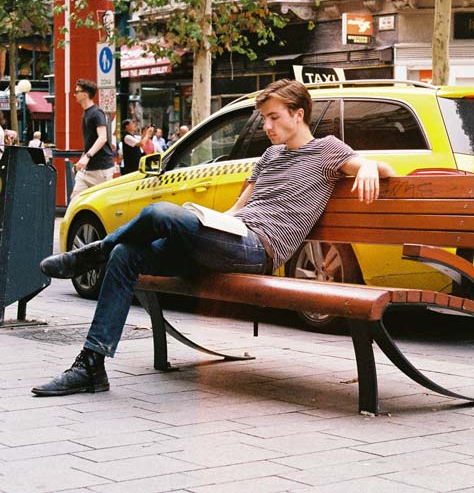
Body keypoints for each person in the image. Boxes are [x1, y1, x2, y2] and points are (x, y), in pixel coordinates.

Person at [32, 79, 395, 397]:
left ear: (298, 114)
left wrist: (364, 166)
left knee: (160, 212)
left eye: (274, 117)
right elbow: (240, 208)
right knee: (126, 254)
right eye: (264, 118)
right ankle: (91, 366)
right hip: (229, 238)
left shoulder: (327, 150)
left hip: (258, 249)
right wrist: (210, 222)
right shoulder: (269, 156)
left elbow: (385, 168)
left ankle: (92, 253)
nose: (266, 126)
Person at [70, 79, 115, 202]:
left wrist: (87, 156)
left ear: (85, 94)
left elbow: (103, 137)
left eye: (77, 91)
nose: (74, 94)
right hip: (87, 171)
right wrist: (82, 158)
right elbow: (91, 140)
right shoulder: (87, 113)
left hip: (101, 169)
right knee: (75, 200)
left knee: (104, 204)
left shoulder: (97, 113)